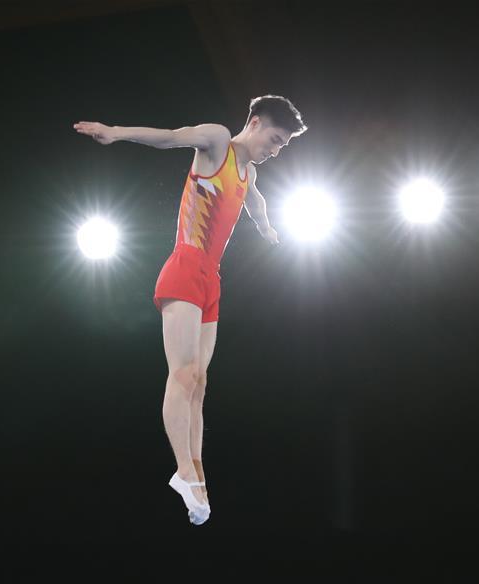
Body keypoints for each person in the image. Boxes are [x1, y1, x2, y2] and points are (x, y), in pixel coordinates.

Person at [74, 95, 307, 525]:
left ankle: (196, 473)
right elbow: (170, 137)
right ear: (255, 123)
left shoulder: (250, 172)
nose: (276, 150)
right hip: (185, 265)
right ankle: (182, 469)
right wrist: (116, 132)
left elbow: (254, 201)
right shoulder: (217, 142)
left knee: (199, 382)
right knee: (183, 373)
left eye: (283, 146)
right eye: (276, 139)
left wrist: (268, 228)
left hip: (210, 280)